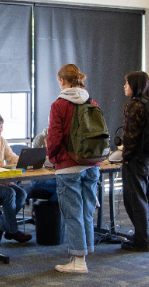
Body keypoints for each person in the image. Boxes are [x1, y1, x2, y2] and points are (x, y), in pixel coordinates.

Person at [47, 64, 100, 274]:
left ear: (62, 81)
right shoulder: (91, 101)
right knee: (86, 211)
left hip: (69, 166)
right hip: (91, 164)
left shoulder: (59, 105)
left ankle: (79, 260)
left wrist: (53, 158)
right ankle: (84, 252)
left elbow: (54, 138)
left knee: (72, 213)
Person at [120, 71, 149, 252]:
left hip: (137, 161)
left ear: (135, 86)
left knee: (136, 201)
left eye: (127, 83)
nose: (124, 86)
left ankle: (141, 241)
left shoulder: (134, 106)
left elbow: (130, 137)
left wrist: (126, 158)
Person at [0, 113, 31, 244]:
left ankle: (0, 228)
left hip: (2, 181)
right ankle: (13, 231)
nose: (0, 130)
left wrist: (24, 159)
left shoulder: (2, 141)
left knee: (22, 193)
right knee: (10, 193)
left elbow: (11, 157)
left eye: (1, 127)